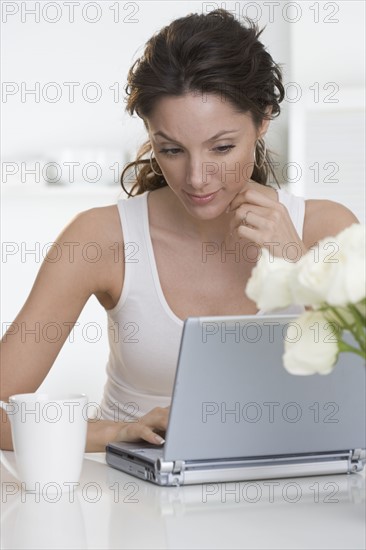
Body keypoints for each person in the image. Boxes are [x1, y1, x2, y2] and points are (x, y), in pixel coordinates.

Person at [0, 9, 358, 451]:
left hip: (290, 497)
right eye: (171, 149)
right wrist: (116, 434)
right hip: (137, 501)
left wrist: (298, 268)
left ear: (263, 119)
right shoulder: (99, 238)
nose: (196, 178)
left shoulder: (327, 231)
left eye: (222, 147)